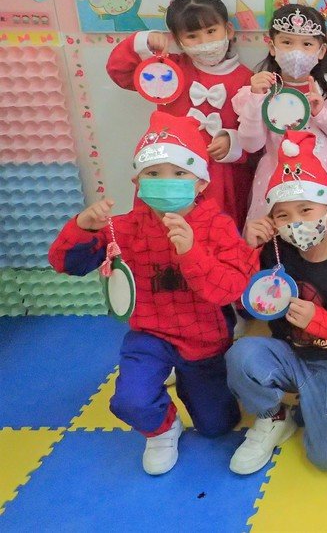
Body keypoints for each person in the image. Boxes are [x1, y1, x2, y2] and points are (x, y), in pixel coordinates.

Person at [48, 112, 258, 475]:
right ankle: (162, 428)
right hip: (150, 332)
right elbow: (66, 263)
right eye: (153, 173)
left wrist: (191, 252)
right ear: (137, 181)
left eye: (179, 173)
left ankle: (198, 398)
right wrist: (82, 228)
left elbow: (232, 288)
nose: (166, 182)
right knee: (130, 400)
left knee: (217, 425)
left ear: (201, 183)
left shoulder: (218, 226)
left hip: (204, 336)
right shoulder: (125, 228)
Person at [226, 132, 327, 474]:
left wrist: (318, 321)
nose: (296, 223)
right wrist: (246, 249)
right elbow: (242, 300)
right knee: (240, 355)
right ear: (272, 221)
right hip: (290, 355)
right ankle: (274, 415)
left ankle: (319, 403)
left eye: (306, 210)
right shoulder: (274, 253)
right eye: (283, 216)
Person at [105, 0, 255, 228]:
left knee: (215, 229)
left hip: (220, 175)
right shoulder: (168, 70)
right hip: (168, 170)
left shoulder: (247, 78)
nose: (204, 41)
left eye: (211, 31)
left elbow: (255, 132)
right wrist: (143, 42)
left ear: (228, 30)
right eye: (192, 36)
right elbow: (120, 72)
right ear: (178, 39)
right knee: (161, 229)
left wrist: (232, 141)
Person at [232, 3, 327, 257]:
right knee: (280, 247)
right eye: (286, 42)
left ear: (321, 50)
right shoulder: (260, 91)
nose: (296, 51)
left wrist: (321, 113)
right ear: (272, 46)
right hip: (277, 175)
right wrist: (255, 99)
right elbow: (251, 144)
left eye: (307, 44)